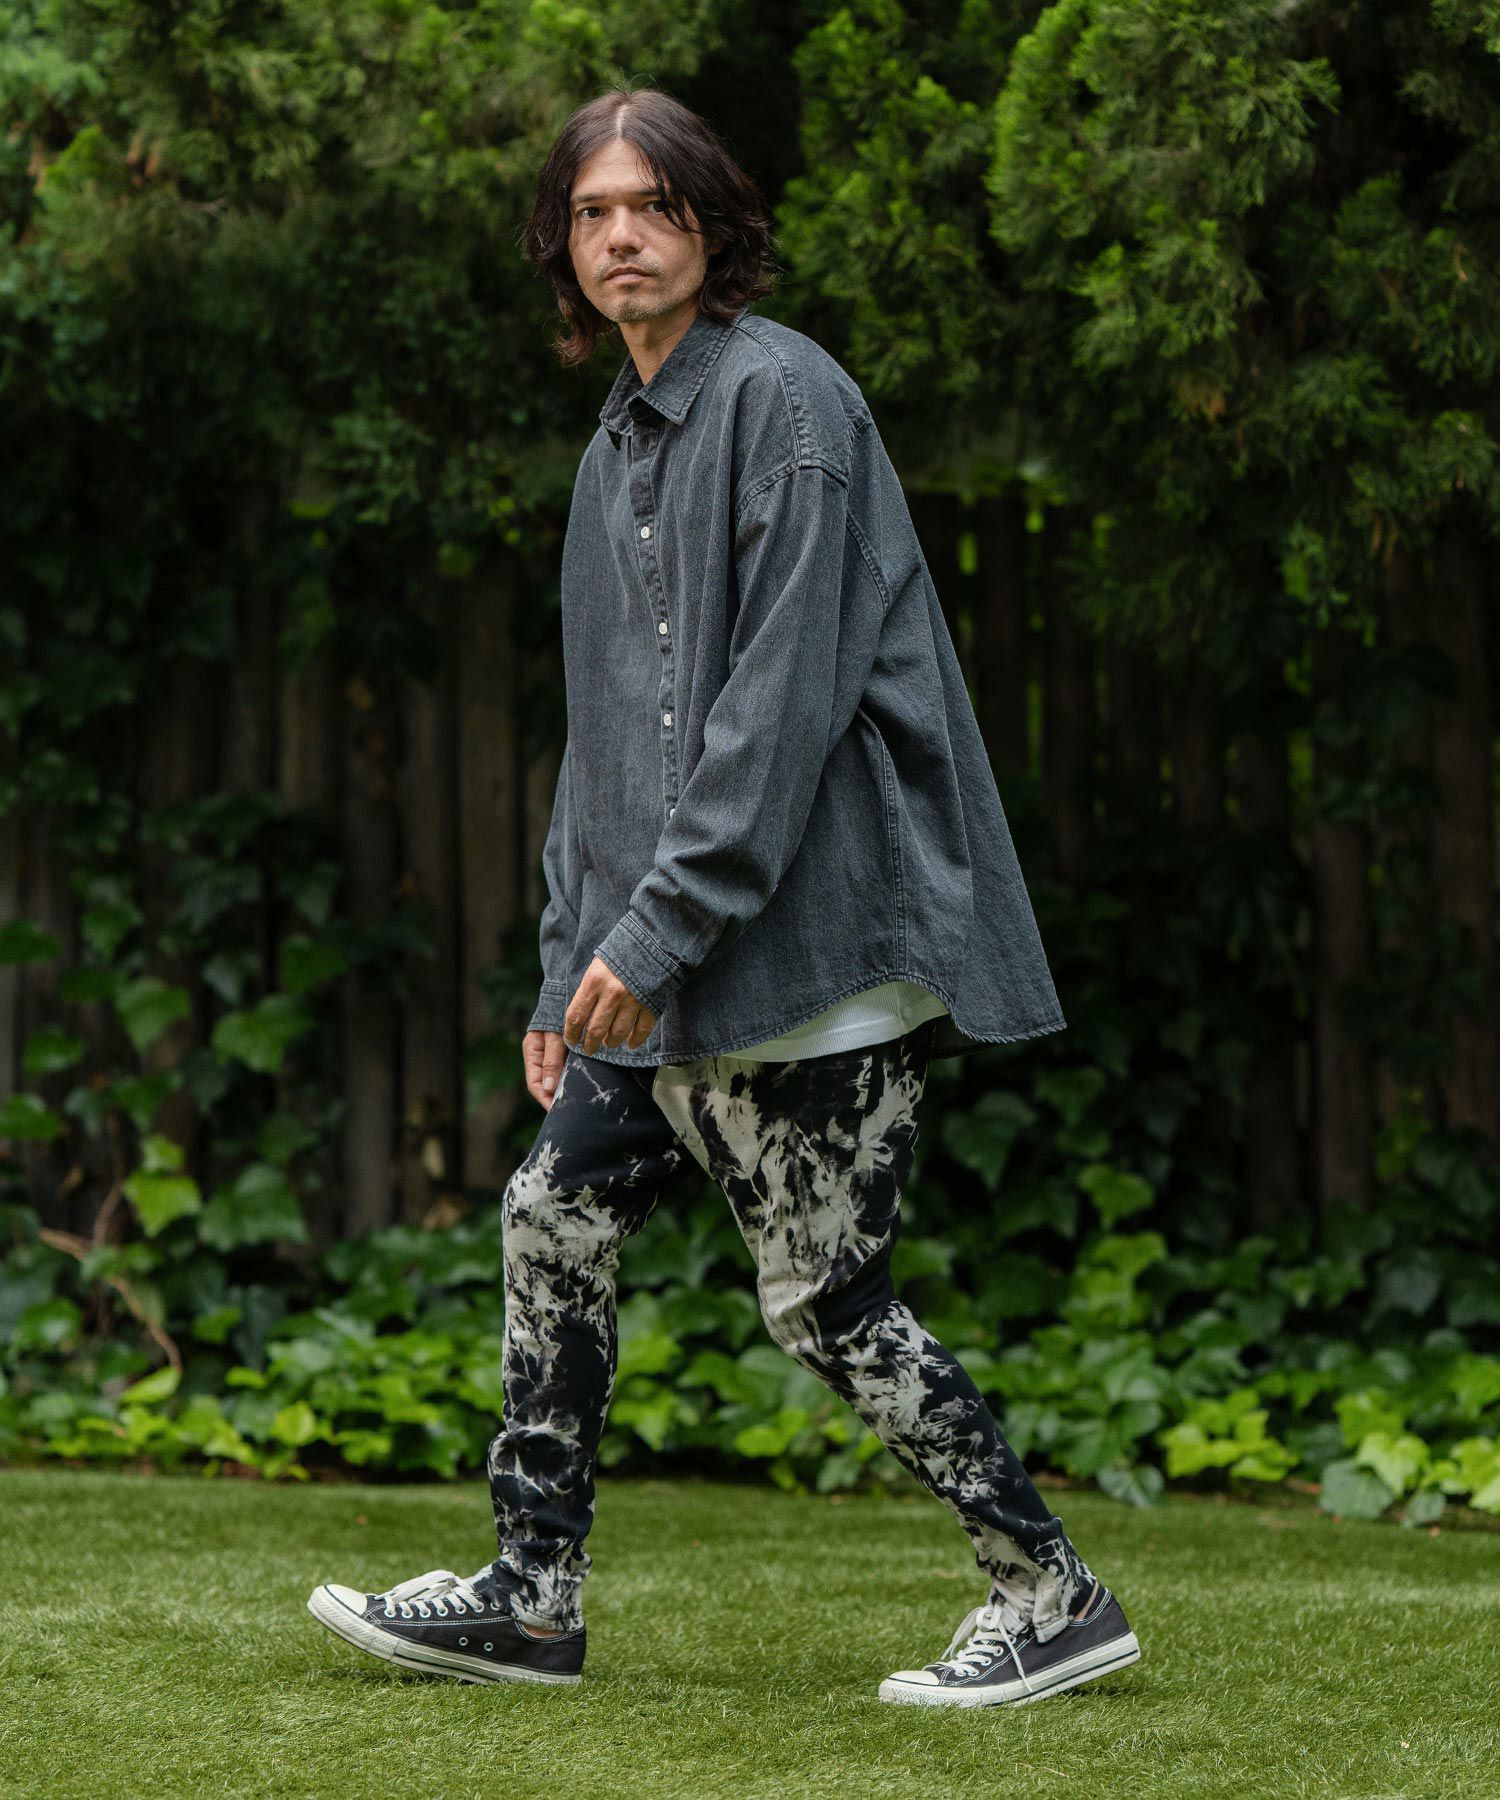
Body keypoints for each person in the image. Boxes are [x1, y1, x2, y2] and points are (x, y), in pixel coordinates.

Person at [308, 84, 1141, 1709]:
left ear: (713, 223)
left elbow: (778, 710)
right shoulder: (614, 445)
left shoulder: (790, 404)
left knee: (829, 1302)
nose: (621, 235)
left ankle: (1053, 1595)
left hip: (810, 943)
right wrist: (571, 962)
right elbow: (608, 738)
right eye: (592, 212)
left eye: (654, 205)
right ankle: (531, 1598)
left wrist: (655, 931)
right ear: (563, 246)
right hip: (657, 962)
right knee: (552, 1217)